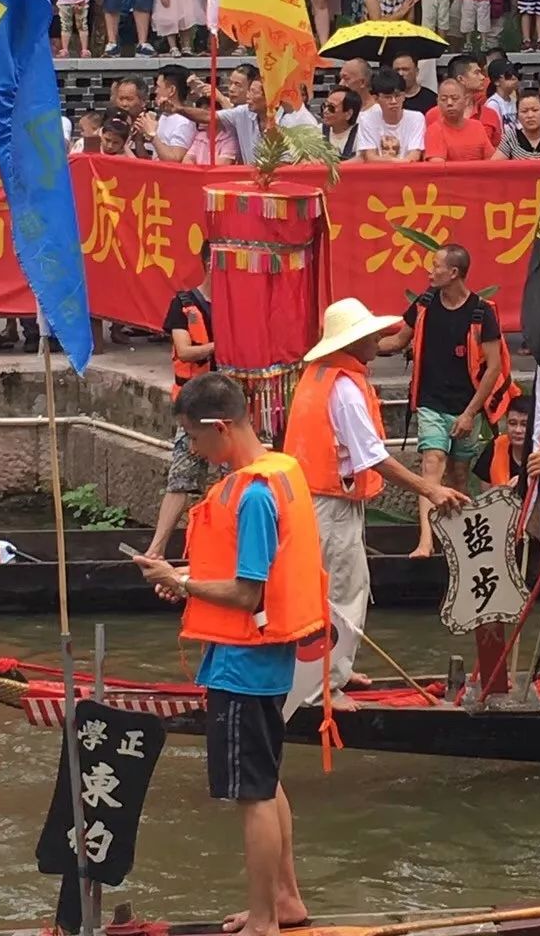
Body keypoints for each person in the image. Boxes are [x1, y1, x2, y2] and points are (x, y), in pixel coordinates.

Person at [133, 372, 321, 936]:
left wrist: (183, 582)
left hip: (247, 666)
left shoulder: (256, 494)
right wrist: (185, 577)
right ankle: (285, 900)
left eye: (193, 435)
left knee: (252, 795)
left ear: (220, 427)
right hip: (258, 660)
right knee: (266, 782)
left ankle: (265, 920)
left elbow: (247, 593)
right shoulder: (273, 476)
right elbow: (243, 579)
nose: (193, 448)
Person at [285, 299, 468, 704]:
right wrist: (430, 489)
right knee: (340, 589)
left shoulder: (319, 376)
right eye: (369, 335)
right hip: (329, 504)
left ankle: (337, 671)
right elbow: (373, 457)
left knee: (341, 585)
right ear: (352, 343)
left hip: (318, 499)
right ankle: (322, 687)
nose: (377, 340)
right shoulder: (345, 388)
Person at [378, 243, 515, 557]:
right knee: (432, 464)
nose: (430, 271)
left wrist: (470, 414)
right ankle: (425, 542)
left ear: (453, 273)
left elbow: (493, 368)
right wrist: (363, 347)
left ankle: (458, 545)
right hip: (431, 404)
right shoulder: (425, 304)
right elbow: (400, 340)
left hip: (466, 407)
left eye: (435, 266)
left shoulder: (481, 312)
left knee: (458, 476)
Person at [147, 247, 215, 558]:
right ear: (208, 261)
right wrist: (223, 345)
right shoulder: (183, 304)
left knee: (238, 475)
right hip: (195, 406)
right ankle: (156, 550)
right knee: (181, 476)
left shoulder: (239, 305)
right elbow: (185, 351)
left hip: (230, 405)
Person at [355, 69, 425, 162]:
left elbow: (414, 155)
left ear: (404, 96)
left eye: (397, 96)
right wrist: (395, 162)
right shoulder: (366, 118)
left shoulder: (416, 118)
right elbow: (370, 157)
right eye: (387, 97)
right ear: (376, 98)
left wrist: (397, 164)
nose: (394, 101)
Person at [424, 78, 494, 162]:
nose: (449, 103)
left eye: (455, 98)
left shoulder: (477, 126)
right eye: (444, 99)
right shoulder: (434, 130)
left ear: (466, 101)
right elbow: (438, 168)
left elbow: (491, 161)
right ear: (438, 102)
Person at [475, 395, 530, 489]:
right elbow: (485, 493)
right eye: (512, 423)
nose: (518, 430)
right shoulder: (495, 446)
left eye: (524, 424)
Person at [494, 88, 540, 160]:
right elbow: (494, 167)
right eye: (524, 111)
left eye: (535, 110)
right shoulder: (511, 138)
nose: (530, 115)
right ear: (517, 116)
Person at [322, 87, 362, 160]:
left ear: (348, 114)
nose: (325, 111)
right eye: (324, 106)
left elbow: (362, 160)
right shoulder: (317, 132)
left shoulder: (360, 135)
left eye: (331, 107)